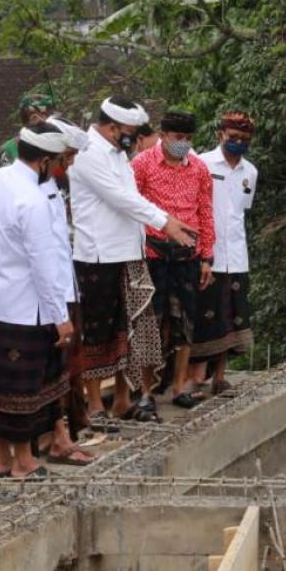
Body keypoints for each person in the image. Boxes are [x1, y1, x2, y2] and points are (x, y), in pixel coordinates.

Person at [69, 96, 198, 425]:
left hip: (129, 253)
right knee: (98, 333)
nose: (134, 137)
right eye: (130, 131)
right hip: (98, 256)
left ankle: (123, 401)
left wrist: (160, 222)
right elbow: (122, 199)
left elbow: (132, 199)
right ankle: (95, 404)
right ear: (112, 127)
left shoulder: (118, 154)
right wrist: (164, 221)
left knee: (130, 331)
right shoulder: (88, 155)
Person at [0, 124, 73, 479]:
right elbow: (43, 264)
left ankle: (1, 458)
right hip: (25, 306)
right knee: (24, 389)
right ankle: (23, 461)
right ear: (45, 161)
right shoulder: (32, 200)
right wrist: (60, 315)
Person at [131, 111, 215, 408]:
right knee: (149, 323)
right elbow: (132, 207)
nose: (184, 144)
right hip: (152, 254)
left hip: (187, 256)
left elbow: (205, 212)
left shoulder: (199, 168)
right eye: (179, 138)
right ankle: (145, 392)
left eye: (189, 139)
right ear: (163, 134)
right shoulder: (141, 165)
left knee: (185, 323)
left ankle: (179, 387)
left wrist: (207, 257)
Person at [41, 115, 98, 458]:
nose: (71, 164)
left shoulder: (55, 187)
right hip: (49, 297)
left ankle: (64, 433)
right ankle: (56, 436)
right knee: (55, 370)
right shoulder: (35, 187)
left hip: (66, 287)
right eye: (68, 157)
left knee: (69, 367)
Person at [190, 111, 259, 393]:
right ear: (221, 134)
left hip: (237, 255)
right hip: (208, 254)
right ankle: (194, 378)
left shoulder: (250, 172)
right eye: (233, 137)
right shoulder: (201, 163)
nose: (237, 143)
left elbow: (241, 212)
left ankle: (220, 377)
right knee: (205, 317)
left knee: (232, 317)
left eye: (244, 139)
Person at [0, 91, 56, 164]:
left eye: (45, 115)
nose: (40, 120)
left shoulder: (59, 146)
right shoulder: (9, 148)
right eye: (34, 116)